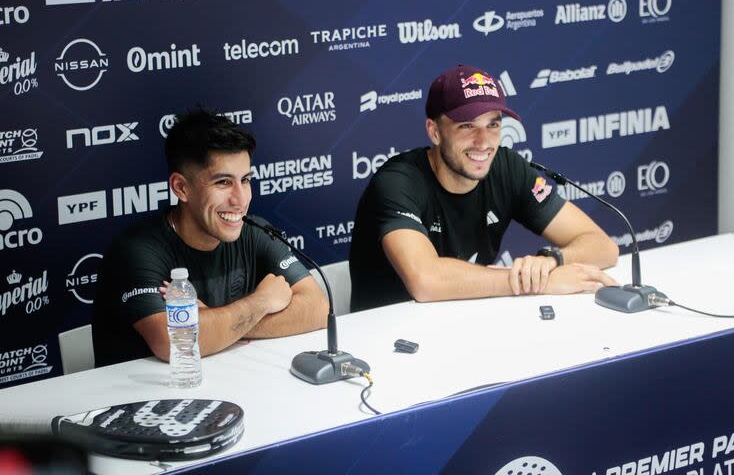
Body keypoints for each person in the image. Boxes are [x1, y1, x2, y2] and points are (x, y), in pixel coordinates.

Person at [349, 64, 619, 312]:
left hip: (467, 320)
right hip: (388, 339)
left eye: (493, 125)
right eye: (467, 126)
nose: (483, 142)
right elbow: (425, 280)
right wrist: (529, 282)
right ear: (434, 131)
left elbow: (604, 247)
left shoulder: (507, 166)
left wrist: (550, 262)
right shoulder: (397, 182)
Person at [92, 108, 328, 367]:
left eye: (246, 180)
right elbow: (174, 343)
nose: (240, 199)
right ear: (181, 188)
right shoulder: (137, 251)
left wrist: (217, 324)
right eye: (223, 183)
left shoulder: (256, 232)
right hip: (140, 398)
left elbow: (317, 308)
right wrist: (261, 302)